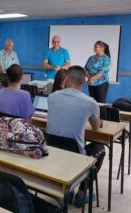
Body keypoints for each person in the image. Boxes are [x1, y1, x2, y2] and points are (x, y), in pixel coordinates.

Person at [46, 66, 105, 207]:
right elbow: (96, 127)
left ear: (66, 79)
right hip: (75, 156)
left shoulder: (52, 97)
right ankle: (81, 194)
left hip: (52, 151)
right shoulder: (90, 102)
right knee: (100, 148)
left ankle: (68, 188)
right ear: (84, 82)